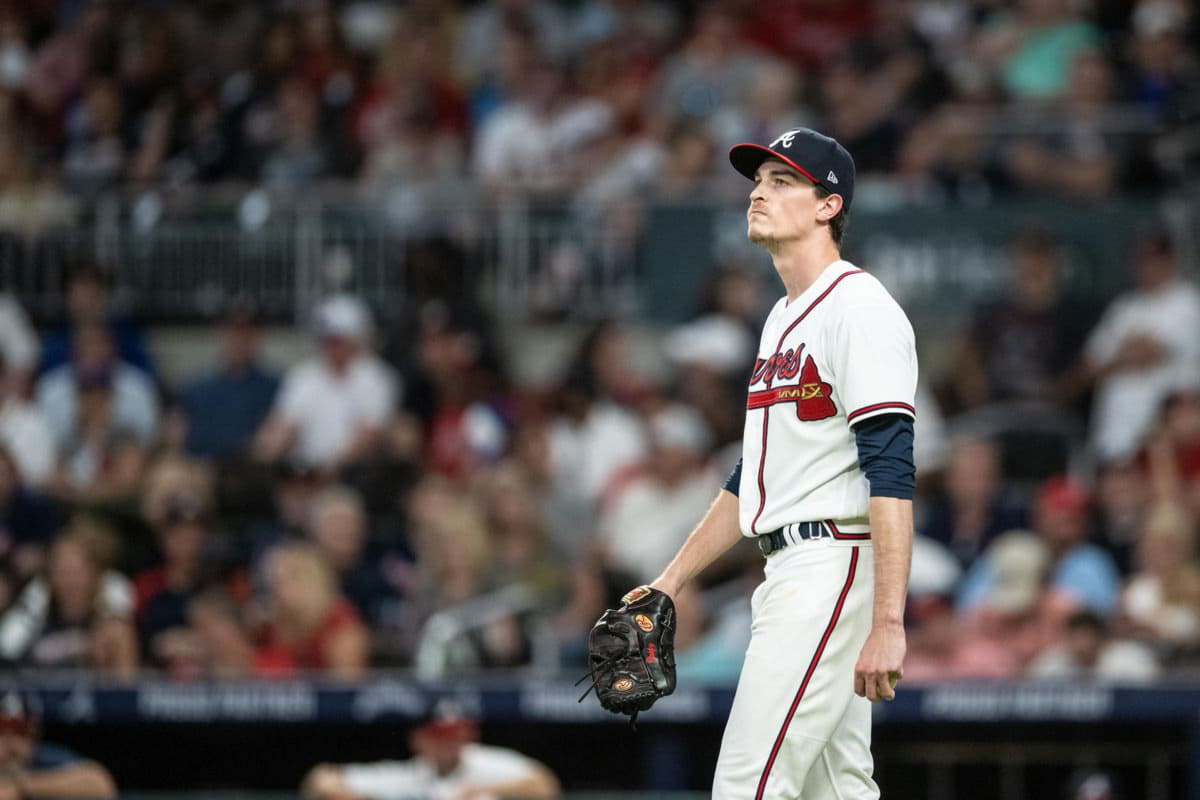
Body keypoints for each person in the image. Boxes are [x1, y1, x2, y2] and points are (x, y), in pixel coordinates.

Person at [645, 128, 917, 799]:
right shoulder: (780, 317)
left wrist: (888, 622)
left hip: (834, 561)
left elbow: (891, 469)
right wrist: (672, 580)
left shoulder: (858, 309)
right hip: (796, 561)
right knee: (839, 789)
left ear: (828, 206)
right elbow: (756, 476)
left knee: (749, 785)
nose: (758, 193)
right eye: (757, 180)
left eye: (782, 181)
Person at [301, 702, 560, 800]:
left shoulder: (482, 762)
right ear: (419, 741)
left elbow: (545, 785)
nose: (450, 744)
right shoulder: (408, 774)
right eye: (441, 738)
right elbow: (321, 779)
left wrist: (479, 790)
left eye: (456, 736)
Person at [0, 690, 117, 799]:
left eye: (20, 730)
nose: (11, 740)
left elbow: (101, 785)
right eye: (2, 729)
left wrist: (21, 786)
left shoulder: (42, 757)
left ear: (34, 731)